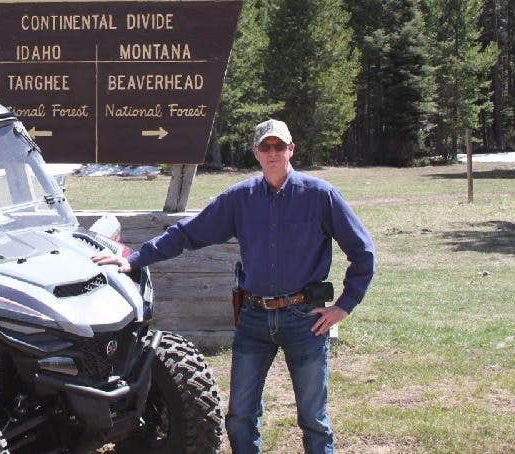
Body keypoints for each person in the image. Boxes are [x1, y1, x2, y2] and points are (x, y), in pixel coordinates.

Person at [92, 118, 375, 454]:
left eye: (279, 146)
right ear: (256, 152)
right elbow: (187, 233)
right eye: (266, 147)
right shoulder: (241, 198)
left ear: (291, 150)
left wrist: (344, 305)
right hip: (254, 317)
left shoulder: (320, 196)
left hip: (304, 319)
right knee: (240, 416)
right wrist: (137, 259)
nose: (273, 153)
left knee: (313, 418)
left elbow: (363, 253)